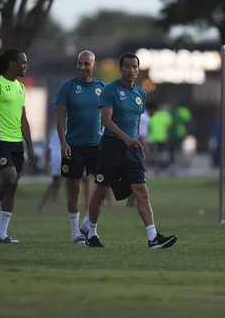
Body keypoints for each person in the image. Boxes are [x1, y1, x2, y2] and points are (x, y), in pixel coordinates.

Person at [81, 53, 177, 249]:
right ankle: (91, 232)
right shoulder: (110, 90)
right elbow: (106, 120)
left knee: (141, 191)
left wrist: (139, 143)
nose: (131, 70)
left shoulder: (141, 93)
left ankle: (153, 238)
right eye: (127, 66)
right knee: (101, 191)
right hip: (110, 147)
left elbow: (138, 121)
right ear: (121, 68)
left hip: (132, 149)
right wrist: (125, 137)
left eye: (135, 67)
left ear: (138, 70)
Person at [0, 48, 35, 244]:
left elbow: (23, 119)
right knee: (8, 179)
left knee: (13, 186)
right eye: (23, 62)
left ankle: (2, 233)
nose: (26, 65)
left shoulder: (21, 87)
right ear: (12, 63)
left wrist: (30, 146)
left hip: (17, 143)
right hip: (1, 142)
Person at [55, 50, 105, 244]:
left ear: (94, 66)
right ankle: (75, 233)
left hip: (96, 145)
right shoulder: (67, 87)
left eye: (86, 64)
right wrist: (62, 142)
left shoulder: (103, 88)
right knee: (73, 188)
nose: (82, 67)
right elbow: (60, 116)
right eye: (79, 63)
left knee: (103, 185)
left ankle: (89, 225)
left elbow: (108, 116)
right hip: (73, 145)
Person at [127, 101, 156, 208]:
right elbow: (141, 136)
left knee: (135, 177)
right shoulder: (144, 118)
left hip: (132, 148)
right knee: (138, 178)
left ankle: (131, 202)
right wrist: (147, 152)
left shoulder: (141, 115)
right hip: (137, 150)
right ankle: (132, 202)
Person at [38, 126, 63, 212]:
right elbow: (49, 147)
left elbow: (49, 147)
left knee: (57, 181)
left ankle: (50, 200)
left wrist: (47, 161)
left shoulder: (54, 131)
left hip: (56, 158)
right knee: (57, 181)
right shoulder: (59, 131)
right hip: (60, 157)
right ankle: (42, 204)